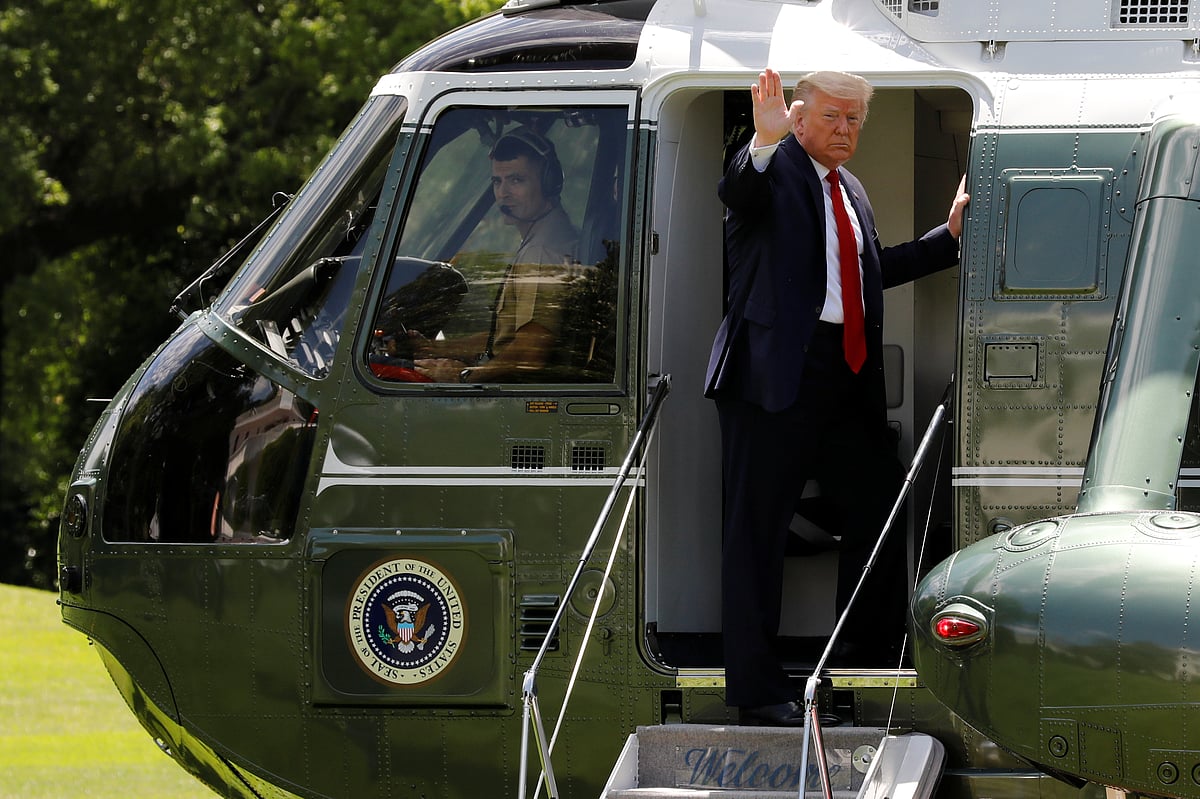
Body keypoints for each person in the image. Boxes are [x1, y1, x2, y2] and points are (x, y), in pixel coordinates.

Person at [704, 69, 970, 727]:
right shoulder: (771, 165)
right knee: (756, 533)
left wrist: (950, 239)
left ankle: (859, 654)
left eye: (855, 119)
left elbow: (869, 272)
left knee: (879, 503)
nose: (846, 129)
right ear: (796, 115)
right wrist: (762, 142)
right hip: (771, 378)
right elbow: (738, 188)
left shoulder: (849, 187)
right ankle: (758, 691)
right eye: (833, 117)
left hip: (844, 375)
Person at [415, 127, 578, 383]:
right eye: (497, 181)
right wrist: (432, 349)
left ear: (549, 183)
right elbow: (504, 339)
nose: (503, 193)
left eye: (516, 180)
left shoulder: (541, 251)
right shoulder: (547, 237)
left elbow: (530, 350)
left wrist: (463, 376)